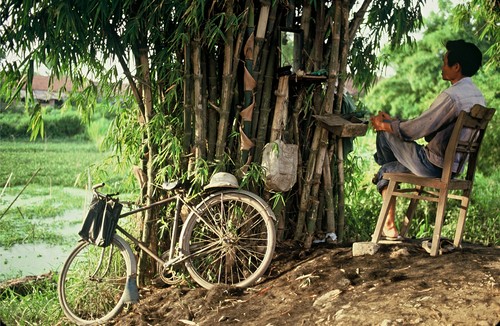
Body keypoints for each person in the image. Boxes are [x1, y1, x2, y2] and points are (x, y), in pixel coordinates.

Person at [370, 39, 485, 240]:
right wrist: (396, 122)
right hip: (454, 166)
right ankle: (387, 176)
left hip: (432, 165)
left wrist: (385, 125)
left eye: (444, 62)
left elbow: (418, 130)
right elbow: (429, 128)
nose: (442, 67)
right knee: (390, 144)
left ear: (456, 67)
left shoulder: (452, 96)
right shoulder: (477, 96)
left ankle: (385, 182)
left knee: (384, 136)